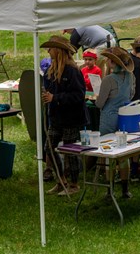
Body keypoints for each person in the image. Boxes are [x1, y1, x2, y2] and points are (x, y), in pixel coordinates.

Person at [41, 35, 88, 197]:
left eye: (51, 47)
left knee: (70, 150)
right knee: (49, 147)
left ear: (59, 50)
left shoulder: (73, 71)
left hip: (71, 117)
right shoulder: (50, 70)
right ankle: (61, 180)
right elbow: (48, 89)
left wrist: (56, 98)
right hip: (56, 117)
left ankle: (74, 184)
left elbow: (78, 95)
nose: (48, 50)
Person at [95, 47, 135, 198]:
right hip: (124, 116)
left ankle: (109, 190)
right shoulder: (130, 76)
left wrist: (99, 97)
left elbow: (99, 104)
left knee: (108, 153)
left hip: (109, 119)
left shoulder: (108, 80)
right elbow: (131, 94)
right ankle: (125, 189)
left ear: (112, 62)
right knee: (124, 153)